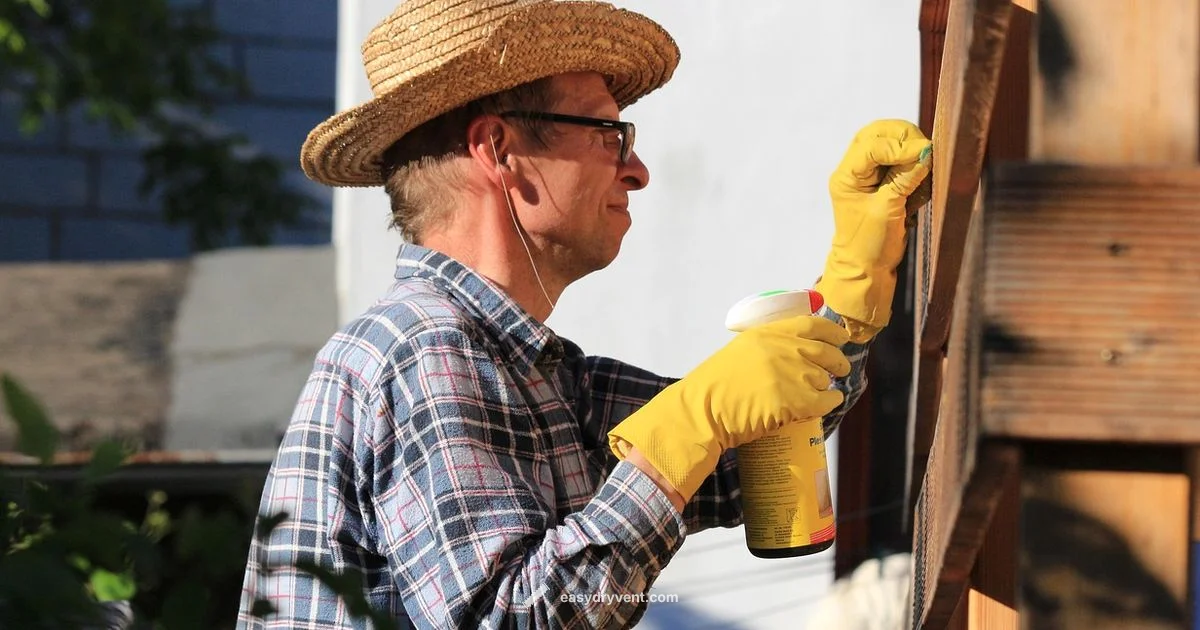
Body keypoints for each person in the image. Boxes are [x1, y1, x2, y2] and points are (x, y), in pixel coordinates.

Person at [236, 0, 932, 628]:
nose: (636, 169)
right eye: (608, 133)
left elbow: (759, 446)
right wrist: (683, 430)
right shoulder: (425, 347)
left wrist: (849, 292)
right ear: (499, 151)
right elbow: (510, 620)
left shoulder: (530, 372)